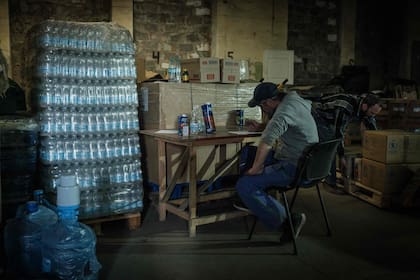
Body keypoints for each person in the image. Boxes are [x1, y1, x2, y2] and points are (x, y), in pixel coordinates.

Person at [235, 82, 319, 243]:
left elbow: (266, 141)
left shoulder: (282, 112)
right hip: (312, 163)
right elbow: (286, 124)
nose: (262, 110)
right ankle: (253, 199)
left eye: (261, 106)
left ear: (268, 102)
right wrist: (262, 126)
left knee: (245, 184)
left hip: (296, 167)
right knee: (250, 153)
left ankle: (289, 222)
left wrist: (255, 169)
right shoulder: (294, 100)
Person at [311, 93, 382, 194]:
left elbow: (370, 122)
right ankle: (329, 182)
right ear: (365, 106)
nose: (372, 116)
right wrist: (342, 156)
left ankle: (330, 175)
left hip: (332, 118)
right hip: (318, 115)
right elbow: (337, 133)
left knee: (335, 142)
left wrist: (379, 142)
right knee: (330, 144)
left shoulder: (364, 108)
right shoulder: (345, 107)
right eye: (372, 113)